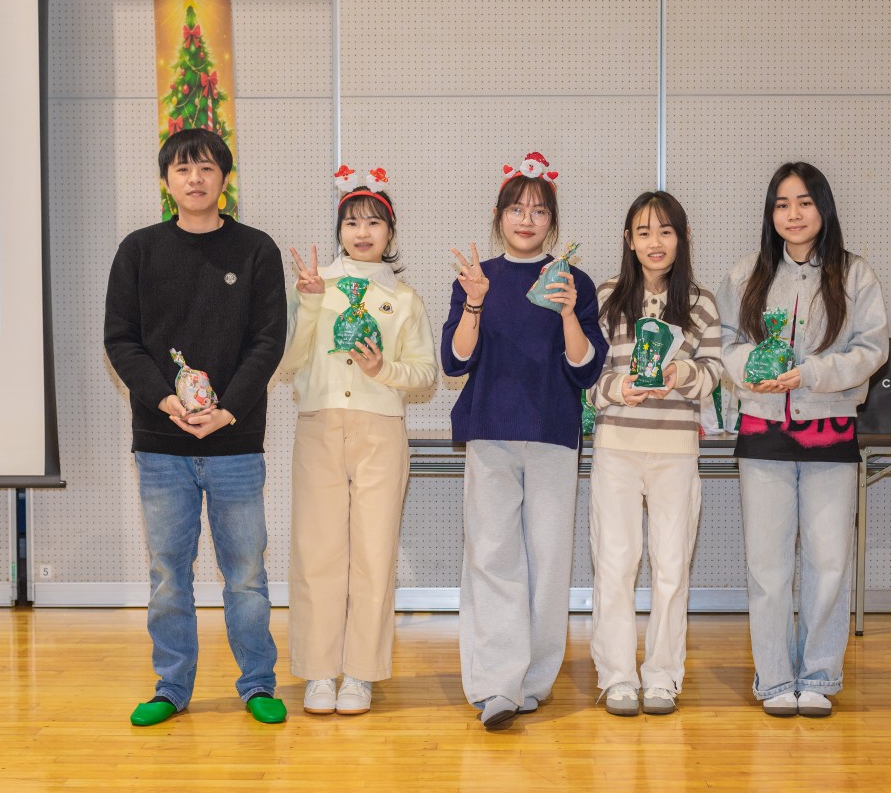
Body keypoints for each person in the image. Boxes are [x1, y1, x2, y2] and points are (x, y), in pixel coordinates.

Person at [104, 128, 288, 727]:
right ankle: (171, 687)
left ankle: (257, 684)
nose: (195, 179)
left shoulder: (256, 250)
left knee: (247, 576)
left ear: (225, 178)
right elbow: (121, 341)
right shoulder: (139, 250)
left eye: (206, 168)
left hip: (236, 443)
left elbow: (268, 341)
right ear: (166, 181)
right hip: (161, 445)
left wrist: (228, 410)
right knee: (167, 577)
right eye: (183, 169)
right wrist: (166, 403)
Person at [441, 152, 608, 731]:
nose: (527, 220)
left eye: (539, 211)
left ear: (552, 222)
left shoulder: (573, 281)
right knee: (491, 556)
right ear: (499, 216)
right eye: (517, 209)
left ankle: (533, 680)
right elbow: (455, 360)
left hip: (553, 433)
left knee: (549, 558)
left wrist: (567, 313)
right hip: (490, 430)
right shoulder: (476, 278)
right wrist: (475, 301)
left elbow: (586, 368)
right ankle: (496, 683)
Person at [716, 161, 888, 718]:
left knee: (829, 562)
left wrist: (810, 373)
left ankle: (818, 676)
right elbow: (724, 343)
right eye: (782, 204)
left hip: (829, 434)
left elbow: (872, 349)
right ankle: (773, 678)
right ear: (771, 213)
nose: (793, 214)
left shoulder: (855, 275)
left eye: (805, 202)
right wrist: (756, 369)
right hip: (763, 433)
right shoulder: (746, 274)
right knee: (767, 567)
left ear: (823, 208)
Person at [282, 166, 437, 716]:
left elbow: (426, 373)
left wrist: (383, 370)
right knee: (317, 553)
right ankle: (319, 672)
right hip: (320, 426)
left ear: (390, 232)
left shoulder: (404, 298)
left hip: (381, 431)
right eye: (352, 222)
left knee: (374, 553)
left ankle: (361, 674)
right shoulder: (314, 286)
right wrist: (307, 304)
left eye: (374, 222)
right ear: (340, 230)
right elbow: (288, 360)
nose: (363, 232)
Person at [587, 191, 722, 716]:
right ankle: (618, 676)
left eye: (665, 231)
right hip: (616, 448)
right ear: (629, 240)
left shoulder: (702, 303)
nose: (655, 242)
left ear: (683, 238)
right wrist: (617, 389)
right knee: (615, 563)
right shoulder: (605, 297)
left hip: (675, 452)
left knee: (671, 567)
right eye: (643, 232)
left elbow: (714, 373)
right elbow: (585, 377)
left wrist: (681, 374)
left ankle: (663, 676)